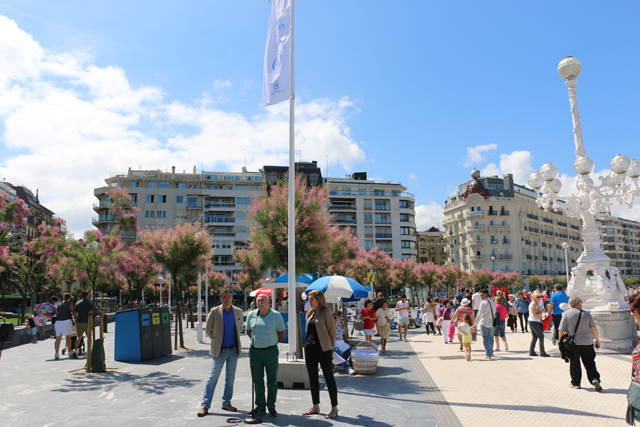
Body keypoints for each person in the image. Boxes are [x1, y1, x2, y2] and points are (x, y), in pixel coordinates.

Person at [198, 287, 244, 417]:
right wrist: (216, 339)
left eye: (228, 296)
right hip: (220, 351)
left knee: (230, 378)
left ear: (232, 298)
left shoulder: (238, 312)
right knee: (213, 378)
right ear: (220, 298)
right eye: (224, 297)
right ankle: (205, 405)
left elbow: (239, 328)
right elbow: (208, 329)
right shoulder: (214, 312)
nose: (226, 299)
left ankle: (226, 402)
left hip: (233, 350)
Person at [245, 294, 286, 418]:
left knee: (272, 380)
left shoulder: (276, 315)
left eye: (262, 300)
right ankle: (260, 406)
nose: (260, 302)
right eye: (258, 300)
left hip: (270, 352)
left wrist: (271, 342)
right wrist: (257, 342)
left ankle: (271, 406)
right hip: (255, 352)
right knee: (257, 380)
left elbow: (282, 333)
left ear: (268, 302)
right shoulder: (252, 315)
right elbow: (248, 331)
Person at [302, 290, 339, 419]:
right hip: (309, 349)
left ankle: (334, 408)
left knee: (329, 378)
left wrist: (330, 347)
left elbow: (332, 333)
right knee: (313, 378)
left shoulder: (326, 313)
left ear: (318, 300)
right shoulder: (311, 313)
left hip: (323, 349)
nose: (309, 301)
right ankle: (315, 406)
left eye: (311, 299)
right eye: (308, 299)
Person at [559, 296, 601, 390]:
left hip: (573, 344)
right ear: (578, 303)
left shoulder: (566, 314)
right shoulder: (587, 314)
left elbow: (561, 331)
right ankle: (594, 378)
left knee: (574, 363)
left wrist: (561, 343)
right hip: (587, 343)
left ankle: (576, 382)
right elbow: (594, 329)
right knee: (590, 363)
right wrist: (597, 340)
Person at [473, 289, 496, 359]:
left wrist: (475, 324)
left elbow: (479, 314)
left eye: (482, 295)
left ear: (486, 294)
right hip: (492, 323)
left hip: (484, 323)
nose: (481, 296)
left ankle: (488, 353)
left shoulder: (483, 303)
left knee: (485, 338)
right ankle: (491, 352)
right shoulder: (493, 302)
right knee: (491, 338)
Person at [53, 293, 75, 359]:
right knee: (68, 337)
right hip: (67, 321)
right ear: (69, 298)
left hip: (58, 322)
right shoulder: (70, 304)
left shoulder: (58, 304)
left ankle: (56, 353)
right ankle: (69, 351)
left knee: (58, 338)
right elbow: (73, 312)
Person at [528, 292, 550, 357]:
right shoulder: (533, 304)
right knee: (541, 336)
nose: (539, 298)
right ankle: (542, 352)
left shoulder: (536, 304)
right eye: (538, 297)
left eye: (540, 297)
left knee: (535, 337)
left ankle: (531, 351)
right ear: (535, 297)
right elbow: (535, 315)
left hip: (534, 321)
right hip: (534, 321)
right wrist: (542, 312)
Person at [73, 290, 93, 358]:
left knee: (78, 336)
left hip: (79, 322)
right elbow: (90, 312)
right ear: (87, 295)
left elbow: (75, 312)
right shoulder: (89, 303)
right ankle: (89, 350)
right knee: (89, 336)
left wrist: (76, 319)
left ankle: (75, 350)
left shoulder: (78, 303)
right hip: (87, 322)